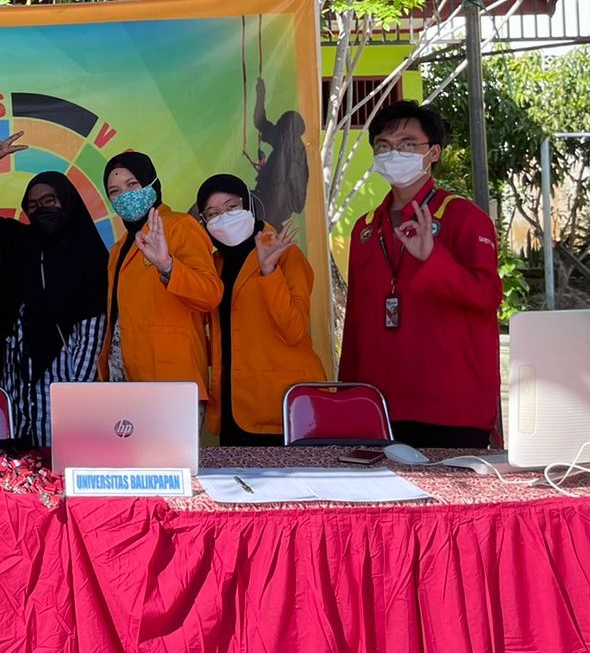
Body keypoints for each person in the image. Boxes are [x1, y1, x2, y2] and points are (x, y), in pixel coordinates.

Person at [339, 100, 502, 448]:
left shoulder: (464, 218)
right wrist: (348, 397)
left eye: (407, 144)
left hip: (450, 406)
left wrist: (433, 259)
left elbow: (487, 297)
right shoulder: (365, 228)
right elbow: (355, 324)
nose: (393, 153)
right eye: (383, 146)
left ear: (434, 152)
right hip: (379, 404)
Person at [197, 174, 324, 446]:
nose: (223, 217)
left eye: (232, 207)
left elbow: (294, 330)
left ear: (249, 205)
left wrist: (269, 272)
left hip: (282, 407)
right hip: (233, 405)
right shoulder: (214, 264)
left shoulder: (286, 254)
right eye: (212, 213)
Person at [96, 152, 222, 416]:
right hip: (128, 380)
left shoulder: (179, 226)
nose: (125, 195)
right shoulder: (119, 248)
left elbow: (210, 294)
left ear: (151, 183)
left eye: (132, 184)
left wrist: (167, 266)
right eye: (115, 191)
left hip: (173, 381)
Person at [0, 172, 108, 447]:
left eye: (49, 201)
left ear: (66, 202)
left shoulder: (89, 255)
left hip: (62, 388)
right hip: (14, 388)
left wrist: (76, 395)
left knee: (61, 460)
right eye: (33, 206)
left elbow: (93, 333)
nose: (42, 209)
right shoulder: (18, 243)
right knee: (13, 463)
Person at [250, 78, 309, 229]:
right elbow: (283, 177)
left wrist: (260, 95)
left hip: (267, 205)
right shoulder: (298, 152)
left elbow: (260, 122)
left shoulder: (285, 141)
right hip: (280, 211)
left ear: (284, 127)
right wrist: (265, 169)